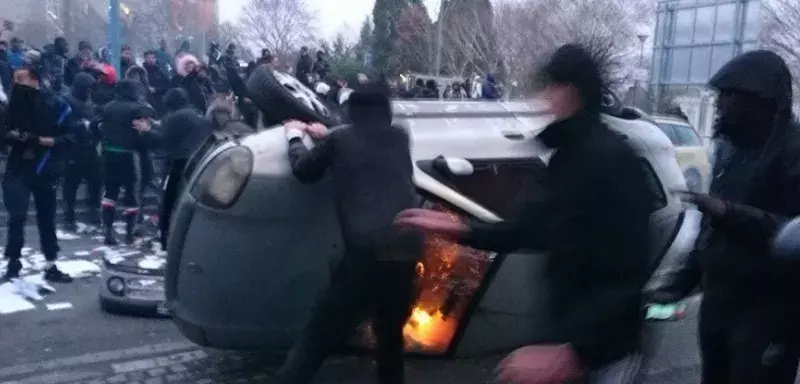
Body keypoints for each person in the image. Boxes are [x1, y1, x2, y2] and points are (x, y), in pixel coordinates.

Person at [396, 44, 655, 384]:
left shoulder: (610, 159)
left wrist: (579, 353)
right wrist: (462, 229)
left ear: (571, 90)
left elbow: (628, 271)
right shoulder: (568, 156)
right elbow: (534, 228)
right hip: (570, 337)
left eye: (550, 86)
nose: (544, 97)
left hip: (605, 355)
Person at [652, 50, 800, 384]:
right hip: (719, 303)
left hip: (769, 311)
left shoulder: (794, 151)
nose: (720, 104)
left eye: (729, 96)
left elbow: (793, 232)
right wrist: (679, 284)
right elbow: (711, 226)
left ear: (760, 102)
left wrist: (731, 214)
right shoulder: (730, 148)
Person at [274, 85, 422, 384]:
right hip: (406, 247)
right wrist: (330, 135)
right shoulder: (400, 136)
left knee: (319, 333)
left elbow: (304, 170)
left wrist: (294, 136)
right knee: (390, 336)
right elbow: (362, 147)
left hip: (365, 252)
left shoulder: (340, 139)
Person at [2, 66, 75, 282]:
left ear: (35, 81)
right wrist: (11, 136)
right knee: (16, 216)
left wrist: (42, 141)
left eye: (21, 79)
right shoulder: (10, 106)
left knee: (46, 217)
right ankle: (13, 262)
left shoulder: (54, 104)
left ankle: (51, 263)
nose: (16, 83)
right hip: (17, 168)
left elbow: (69, 136)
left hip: (44, 167)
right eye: (14, 79)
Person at [150, 88, 210, 249]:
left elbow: (163, 140)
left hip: (178, 162)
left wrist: (147, 131)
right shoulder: (195, 114)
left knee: (169, 199)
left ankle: (165, 237)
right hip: (198, 160)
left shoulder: (174, 117)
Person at [98, 80, 155, 245]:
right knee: (131, 193)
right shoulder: (137, 108)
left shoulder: (108, 107)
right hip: (129, 154)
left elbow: (97, 123)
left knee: (110, 192)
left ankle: (108, 231)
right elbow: (150, 113)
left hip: (108, 153)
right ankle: (130, 233)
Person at [61, 73, 102, 232]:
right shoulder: (65, 101)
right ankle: (68, 216)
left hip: (90, 148)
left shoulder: (90, 102)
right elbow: (62, 123)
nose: (89, 92)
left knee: (95, 183)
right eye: (87, 88)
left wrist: (96, 127)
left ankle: (94, 210)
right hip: (72, 148)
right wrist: (81, 125)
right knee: (71, 185)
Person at [142, 50, 170, 117]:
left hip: (159, 103)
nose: (151, 60)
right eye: (149, 57)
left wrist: (155, 89)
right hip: (145, 103)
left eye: (153, 57)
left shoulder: (160, 71)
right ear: (145, 58)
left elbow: (167, 86)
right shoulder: (141, 71)